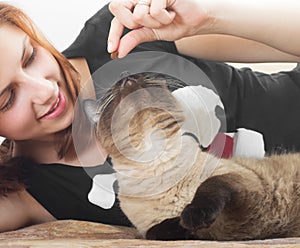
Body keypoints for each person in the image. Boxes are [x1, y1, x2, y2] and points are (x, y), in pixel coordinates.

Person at [0, 1, 300, 233]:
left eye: (31, 57)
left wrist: (208, 14)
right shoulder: (27, 193)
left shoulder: (121, 34)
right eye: (7, 98)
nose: (45, 90)